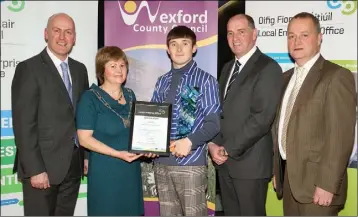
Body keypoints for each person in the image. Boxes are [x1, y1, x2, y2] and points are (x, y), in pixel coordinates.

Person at [272, 12, 356, 216]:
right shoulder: (285, 79)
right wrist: (278, 171)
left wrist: (327, 184)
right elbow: (280, 127)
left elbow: (340, 137)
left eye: (304, 35)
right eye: (291, 36)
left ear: (319, 38)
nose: (296, 41)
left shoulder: (336, 76)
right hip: (290, 183)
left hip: (318, 188)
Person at [11, 13, 89, 215]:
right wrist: (35, 169)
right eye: (57, 30)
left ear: (74, 38)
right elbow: (23, 124)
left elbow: (84, 117)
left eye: (68, 32)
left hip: (73, 167)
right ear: (46, 34)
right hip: (42, 167)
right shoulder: (29, 68)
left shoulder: (80, 70)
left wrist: (86, 156)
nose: (62, 37)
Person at [208, 14, 283, 216]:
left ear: (254, 34)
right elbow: (220, 112)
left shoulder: (268, 68)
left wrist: (227, 149)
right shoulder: (227, 68)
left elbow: (261, 119)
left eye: (241, 32)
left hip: (250, 165)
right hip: (225, 164)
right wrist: (213, 144)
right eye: (230, 33)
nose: (235, 38)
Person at [76, 46, 155, 216]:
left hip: (130, 171)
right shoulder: (90, 98)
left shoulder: (130, 95)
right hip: (106, 172)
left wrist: (148, 148)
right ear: (102, 70)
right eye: (113, 66)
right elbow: (84, 139)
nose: (119, 70)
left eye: (122, 65)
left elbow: (137, 132)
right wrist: (117, 154)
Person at [150, 25, 221, 216]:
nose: (179, 49)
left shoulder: (206, 80)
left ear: (194, 48)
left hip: (190, 165)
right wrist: (148, 143)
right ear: (167, 50)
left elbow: (214, 123)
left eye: (185, 43)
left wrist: (189, 141)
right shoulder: (162, 81)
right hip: (161, 164)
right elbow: (153, 120)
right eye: (174, 44)